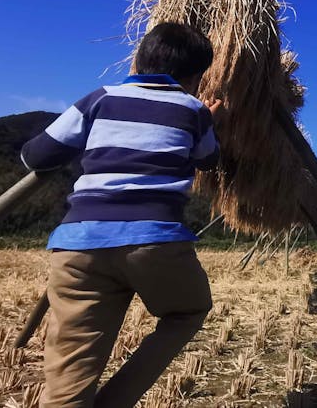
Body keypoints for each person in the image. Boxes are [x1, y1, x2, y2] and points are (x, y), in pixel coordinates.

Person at [21, 22, 222, 408]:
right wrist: (211, 120)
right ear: (195, 77)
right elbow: (209, 159)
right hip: (155, 242)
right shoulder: (195, 110)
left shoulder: (99, 99)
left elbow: (37, 154)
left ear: (139, 59)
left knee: (68, 373)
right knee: (188, 310)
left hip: (79, 245)